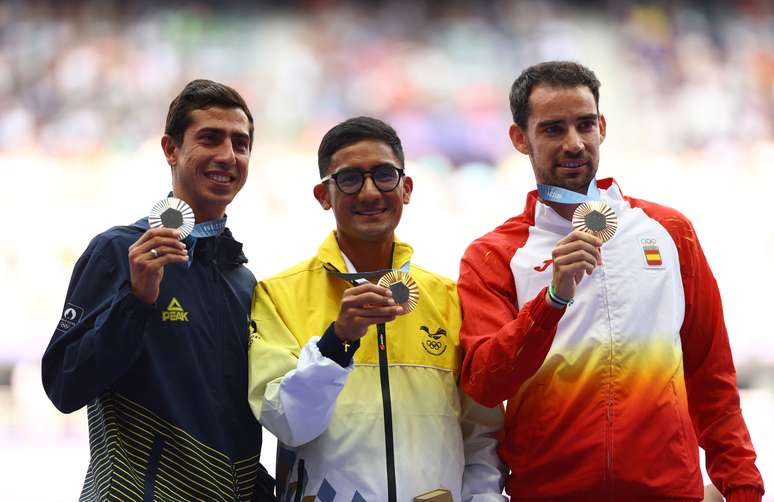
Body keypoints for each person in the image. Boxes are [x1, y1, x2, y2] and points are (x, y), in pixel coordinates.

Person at [457, 61, 765, 501]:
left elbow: (712, 379)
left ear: (602, 126)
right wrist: (552, 301)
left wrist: (744, 491)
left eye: (585, 125)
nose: (574, 144)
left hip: (668, 493)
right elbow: (484, 384)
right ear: (519, 139)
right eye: (552, 129)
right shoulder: (494, 254)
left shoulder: (668, 231)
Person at [247, 116, 506, 501]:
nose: (369, 193)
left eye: (384, 175)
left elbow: (481, 433)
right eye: (350, 179)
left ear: (406, 189)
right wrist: (337, 342)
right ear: (323, 195)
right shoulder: (278, 296)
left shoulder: (448, 298)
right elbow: (289, 425)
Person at [42, 79, 275, 501]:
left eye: (240, 144)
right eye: (210, 138)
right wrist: (136, 300)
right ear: (171, 149)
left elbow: (232, 420)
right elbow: (64, 386)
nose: (228, 155)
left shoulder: (243, 281)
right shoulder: (119, 250)